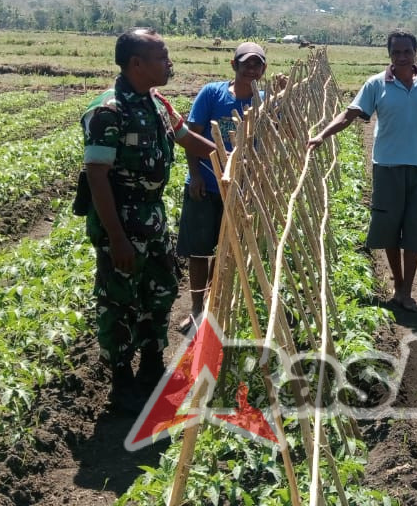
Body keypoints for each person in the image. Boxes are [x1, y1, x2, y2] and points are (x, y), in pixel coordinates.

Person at [82, 28, 216, 415]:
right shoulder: (108, 111)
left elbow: (186, 136)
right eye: (162, 57)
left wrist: (227, 158)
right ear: (136, 64)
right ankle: (121, 376)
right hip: (121, 222)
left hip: (152, 218)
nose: (168, 63)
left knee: (159, 290)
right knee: (118, 299)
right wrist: (117, 238)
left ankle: (153, 361)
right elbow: (96, 177)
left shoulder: (156, 102)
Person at [307, 30, 417, 312]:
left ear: (416, 52)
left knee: (415, 229)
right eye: (396, 52)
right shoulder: (376, 84)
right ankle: (398, 283)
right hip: (387, 165)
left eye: (407, 51)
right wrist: (322, 135)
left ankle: (407, 289)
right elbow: (350, 115)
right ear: (389, 54)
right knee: (390, 228)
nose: (402, 57)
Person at [176, 42, 285, 335]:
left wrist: (279, 98)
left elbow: (276, 134)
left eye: (257, 64)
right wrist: (195, 176)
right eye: (246, 63)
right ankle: (197, 309)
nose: (251, 69)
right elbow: (192, 136)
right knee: (199, 252)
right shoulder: (212, 93)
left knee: (224, 250)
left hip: (240, 188)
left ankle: (213, 306)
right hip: (207, 185)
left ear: (263, 70)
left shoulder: (264, 102)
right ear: (233, 65)